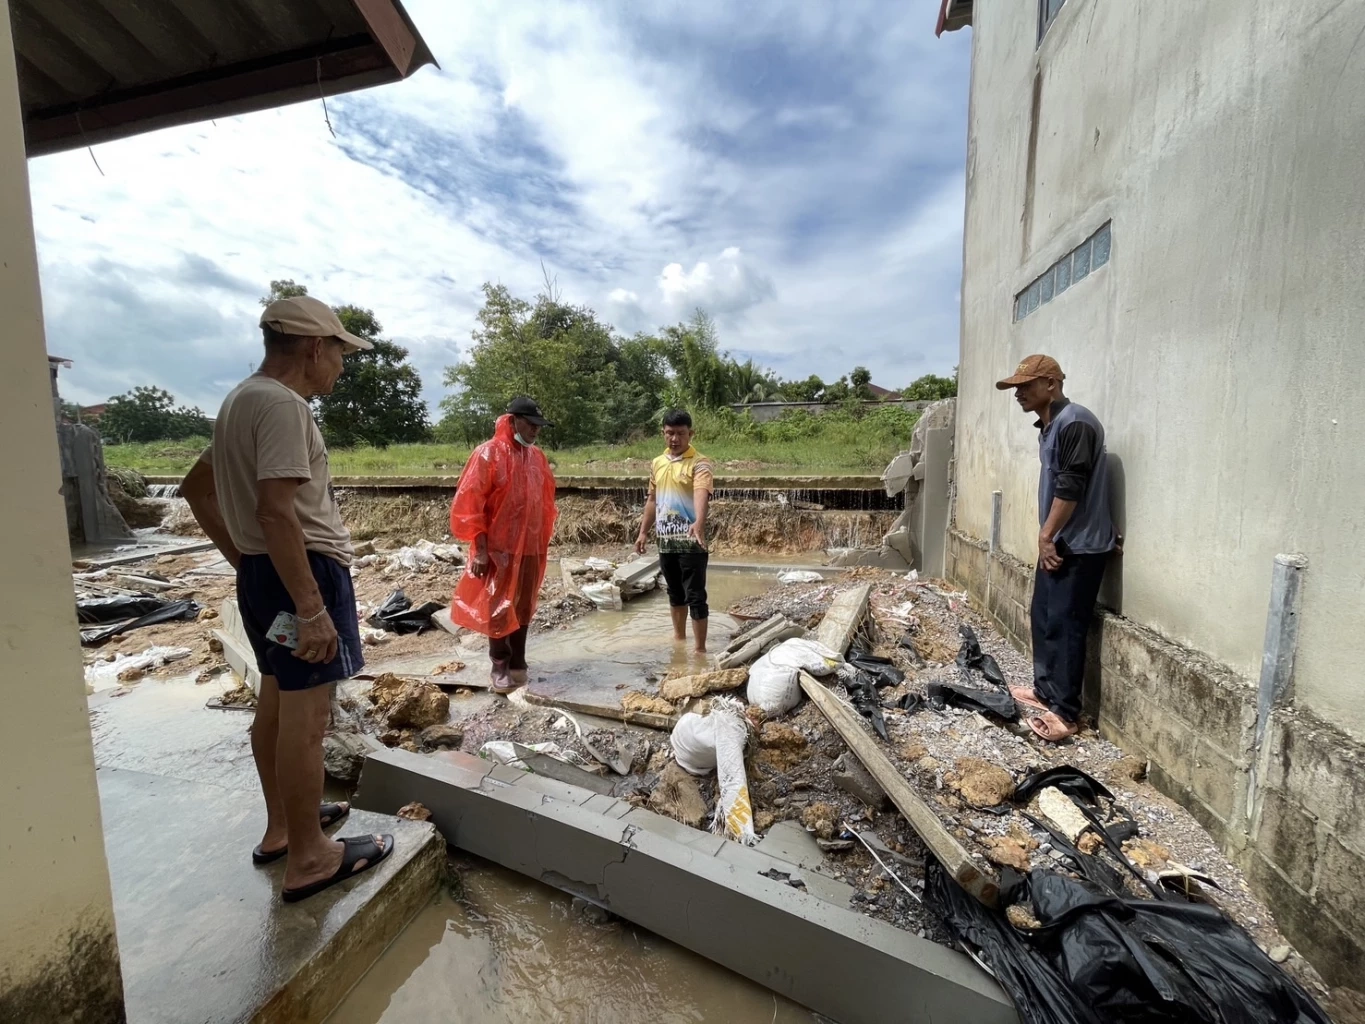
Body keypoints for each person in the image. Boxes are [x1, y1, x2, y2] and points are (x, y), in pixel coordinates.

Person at [180, 295, 393, 902]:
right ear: (313, 347)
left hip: (265, 576)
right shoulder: (282, 406)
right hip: (303, 575)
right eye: (341, 354)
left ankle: (282, 830)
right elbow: (278, 512)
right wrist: (309, 606)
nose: (342, 368)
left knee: (276, 704)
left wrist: (246, 561)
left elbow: (198, 489)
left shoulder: (240, 401)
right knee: (308, 722)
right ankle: (311, 859)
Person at [996, 354, 1118, 743]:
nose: (1019, 394)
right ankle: (1045, 690)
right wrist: (1049, 536)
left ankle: (1065, 713)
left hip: (1077, 545)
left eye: (1026, 386)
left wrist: (1046, 535)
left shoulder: (1075, 423)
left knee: (1067, 626)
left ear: (1052, 383)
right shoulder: (1049, 427)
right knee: (1045, 615)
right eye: (1016, 388)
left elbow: (1072, 487)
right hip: (1059, 540)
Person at [448, 397, 558, 693]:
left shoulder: (537, 458)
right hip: (500, 548)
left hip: (532, 547)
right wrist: (481, 550)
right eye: (530, 424)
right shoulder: (487, 454)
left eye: (539, 426)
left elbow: (545, 503)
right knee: (498, 606)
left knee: (524, 604)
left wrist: (540, 540)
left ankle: (519, 661)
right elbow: (471, 505)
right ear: (512, 421)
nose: (536, 430)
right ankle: (499, 664)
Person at [635, 410, 714, 653]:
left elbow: (702, 492)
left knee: (695, 595)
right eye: (670, 433)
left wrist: (698, 522)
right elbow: (652, 500)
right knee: (674, 592)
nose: (675, 439)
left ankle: (700, 650)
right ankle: (679, 641)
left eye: (681, 433)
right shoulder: (657, 463)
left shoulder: (700, 463)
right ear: (663, 434)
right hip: (666, 541)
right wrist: (643, 532)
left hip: (691, 540)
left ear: (691, 434)